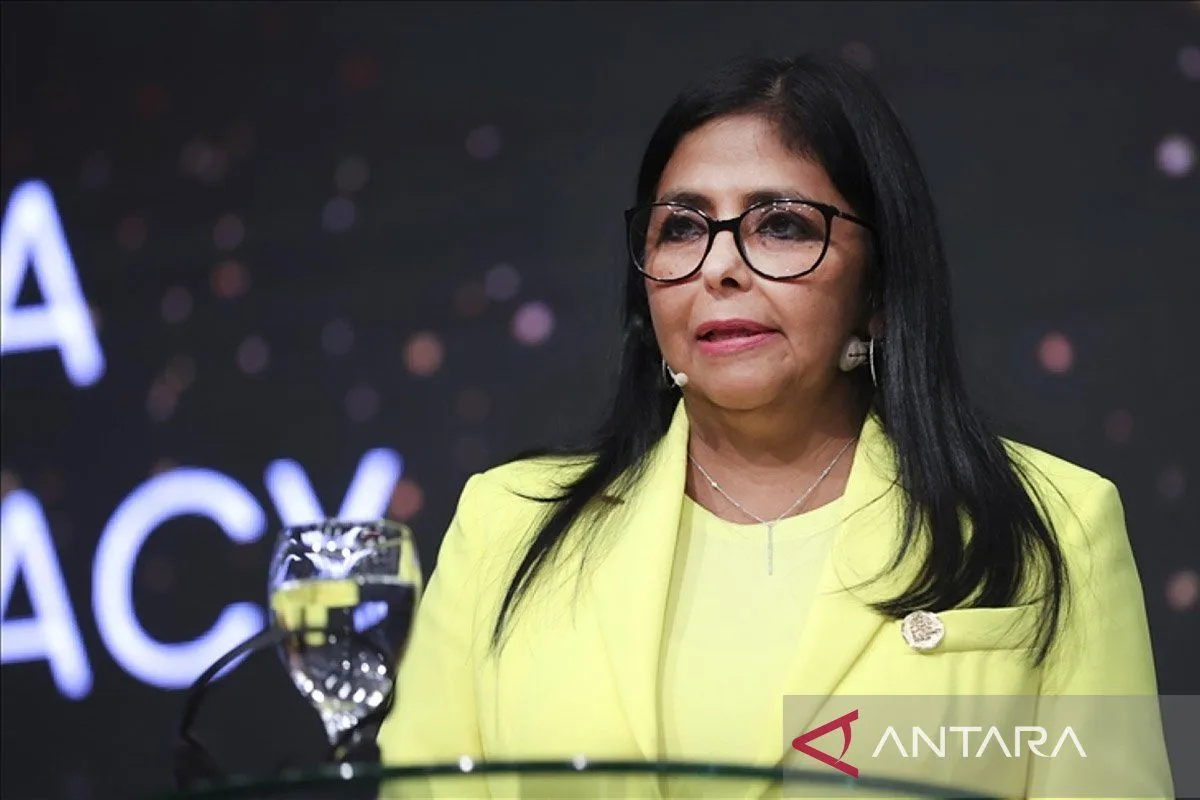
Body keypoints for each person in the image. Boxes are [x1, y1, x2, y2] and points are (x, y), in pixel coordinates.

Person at [376, 53, 1170, 798]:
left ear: (878, 288)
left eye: (782, 225)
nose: (721, 267)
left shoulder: (1055, 525)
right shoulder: (505, 525)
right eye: (682, 227)